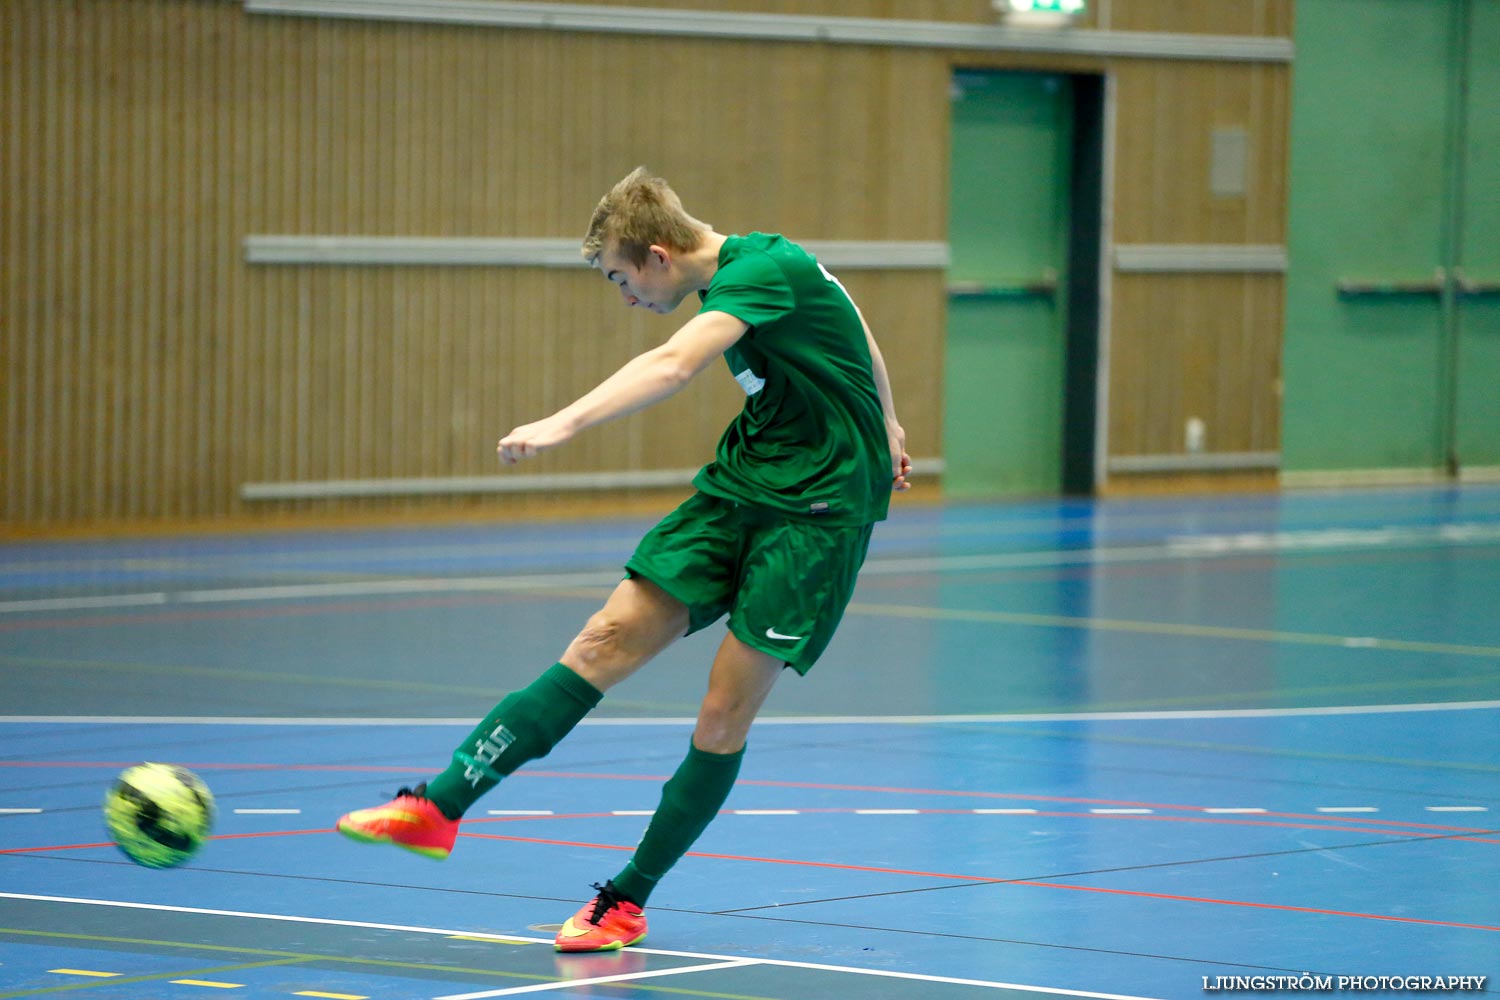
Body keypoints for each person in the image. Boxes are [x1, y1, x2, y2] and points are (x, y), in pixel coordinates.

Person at [336, 166, 910, 953]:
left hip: (816, 517)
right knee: (603, 640)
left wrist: (561, 424)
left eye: (620, 277)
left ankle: (626, 901)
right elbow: (856, 323)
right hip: (744, 484)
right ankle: (438, 808)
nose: (624, 296)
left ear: (660, 256)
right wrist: (890, 417)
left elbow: (675, 365)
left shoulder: (765, 270)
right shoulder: (753, 280)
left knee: (721, 713)